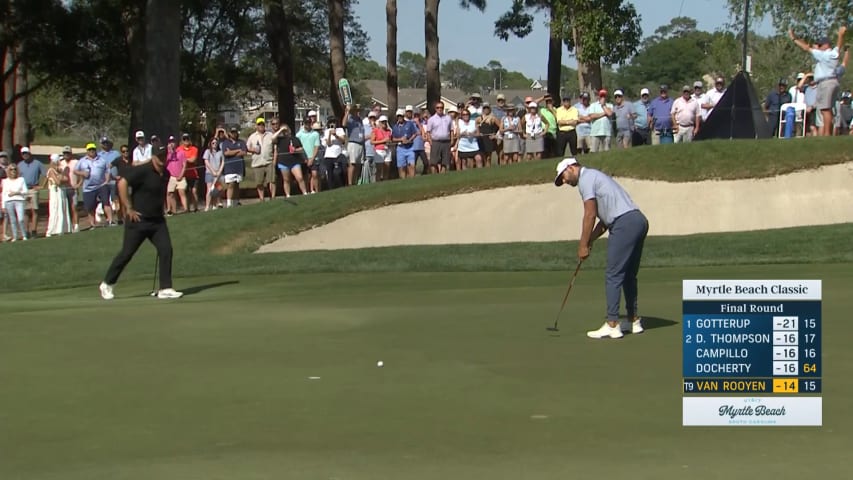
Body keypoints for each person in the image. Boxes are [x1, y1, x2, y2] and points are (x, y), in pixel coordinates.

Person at [554, 157, 649, 339]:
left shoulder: (586, 179)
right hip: (638, 221)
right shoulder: (595, 177)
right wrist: (590, 240)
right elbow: (604, 222)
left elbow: (589, 215)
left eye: (563, 176)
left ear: (572, 167)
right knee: (628, 274)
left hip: (624, 224)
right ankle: (633, 320)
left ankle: (612, 324)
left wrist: (582, 245)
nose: (564, 181)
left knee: (613, 274)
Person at [100, 147, 183, 300]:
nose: (162, 159)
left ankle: (165, 288)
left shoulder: (165, 174)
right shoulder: (143, 170)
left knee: (166, 250)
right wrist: (129, 208)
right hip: (138, 220)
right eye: (159, 156)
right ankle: (107, 283)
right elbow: (122, 183)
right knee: (127, 253)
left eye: (164, 155)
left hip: (157, 221)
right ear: (153, 157)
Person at [789, 26, 845, 136]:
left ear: (826, 45)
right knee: (828, 109)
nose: (818, 47)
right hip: (833, 82)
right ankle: (827, 133)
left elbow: (806, 48)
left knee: (825, 109)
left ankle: (827, 134)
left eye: (820, 45)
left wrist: (794, 38)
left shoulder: (824, 55)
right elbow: (839, 46)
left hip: (825, 83)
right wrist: (841, 35)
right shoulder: (833, 53)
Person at [75, 142, 114, 228]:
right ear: (87, 151)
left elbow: (107, 170)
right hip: (88, 188)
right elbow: (75, 170)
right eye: (90, 150)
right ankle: (92, 224)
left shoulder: (102, 160)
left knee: (106, 203)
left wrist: (107, 180)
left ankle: (110, 220)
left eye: (93, 149)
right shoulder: (82, 161)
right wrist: (82, 173)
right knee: (90, 207)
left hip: (101, 185)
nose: (92, 151)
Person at [16, 146, 46, 238]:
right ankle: (26, 231)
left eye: (26, 153)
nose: (25, 155)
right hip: (24, 190)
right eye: (23, 154)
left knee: (34, 210)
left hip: (33, 189)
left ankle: (34, 231)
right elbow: (17, 177)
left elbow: (46, 175)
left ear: (30, 153)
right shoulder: (20, 165)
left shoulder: (37, 163)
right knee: (25, 211)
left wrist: (42, 186)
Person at [220, 126, 247, 207]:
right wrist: (238, 150)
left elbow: (244, 152)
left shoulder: (241, 142)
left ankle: (235, 202)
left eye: (235, 132)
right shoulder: (226, 143)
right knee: (231, 184)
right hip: (229, 168)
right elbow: (226, 153)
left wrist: (232, 152)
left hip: (239, 167)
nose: (234, 134)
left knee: (236, 185)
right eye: (232, 132)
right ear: (229, 133)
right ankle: (229, 203)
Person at [1, 161, 28, 241]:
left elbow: (25, 191)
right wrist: (3, 205)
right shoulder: (5, 181)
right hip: (9, 201)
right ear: (8, 171)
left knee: (21, 219)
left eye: (15, 169)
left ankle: (24, 235)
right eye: (11, 169)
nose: (13, 171)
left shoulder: (21, 179)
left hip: (19, 200)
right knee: (12, 220)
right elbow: (4, 194)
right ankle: (15, 236)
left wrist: (17, 192)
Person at [45, 154, 71, 237]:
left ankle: (63, 228)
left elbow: (66, 179)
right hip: (55, 193)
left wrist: (61, 177)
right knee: (55, 209)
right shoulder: (51, 170)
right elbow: (58, 182)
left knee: (62, 208)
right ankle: (53, 229)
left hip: (61, 191)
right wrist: (60, 178)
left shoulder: (60, 170)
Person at [203, 138, 224, 210]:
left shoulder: (220, 152)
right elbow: (206, 162)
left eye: (216, 143)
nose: (214, 144)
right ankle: (207, 206)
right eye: (213, 143)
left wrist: (219, 172)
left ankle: (215, 205)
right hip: (209, 173)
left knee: (217, 189)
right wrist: (213, 172)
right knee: (209, 190)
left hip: (218, 174)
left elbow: (222, 162)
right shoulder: (207, 151)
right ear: (210, 144)